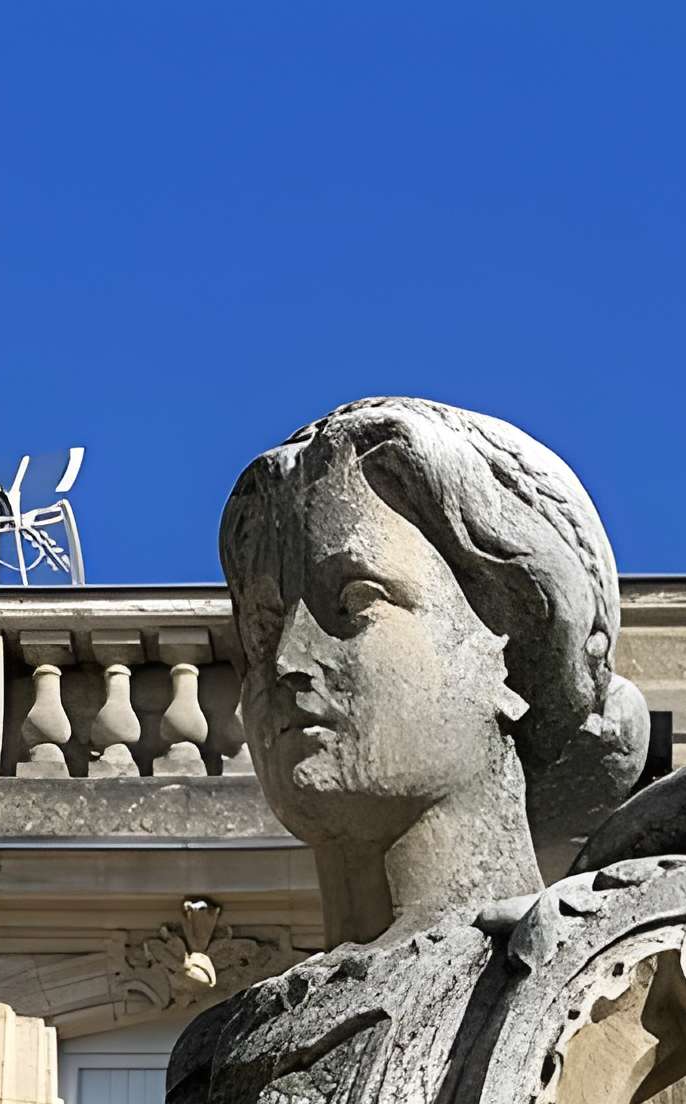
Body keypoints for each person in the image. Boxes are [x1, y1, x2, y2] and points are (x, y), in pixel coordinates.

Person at [219, 397, 651, 946]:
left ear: (512, 652)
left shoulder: (619, 977)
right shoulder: (226, 1034)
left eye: (355, 602)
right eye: (264, 627)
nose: (286, 660)